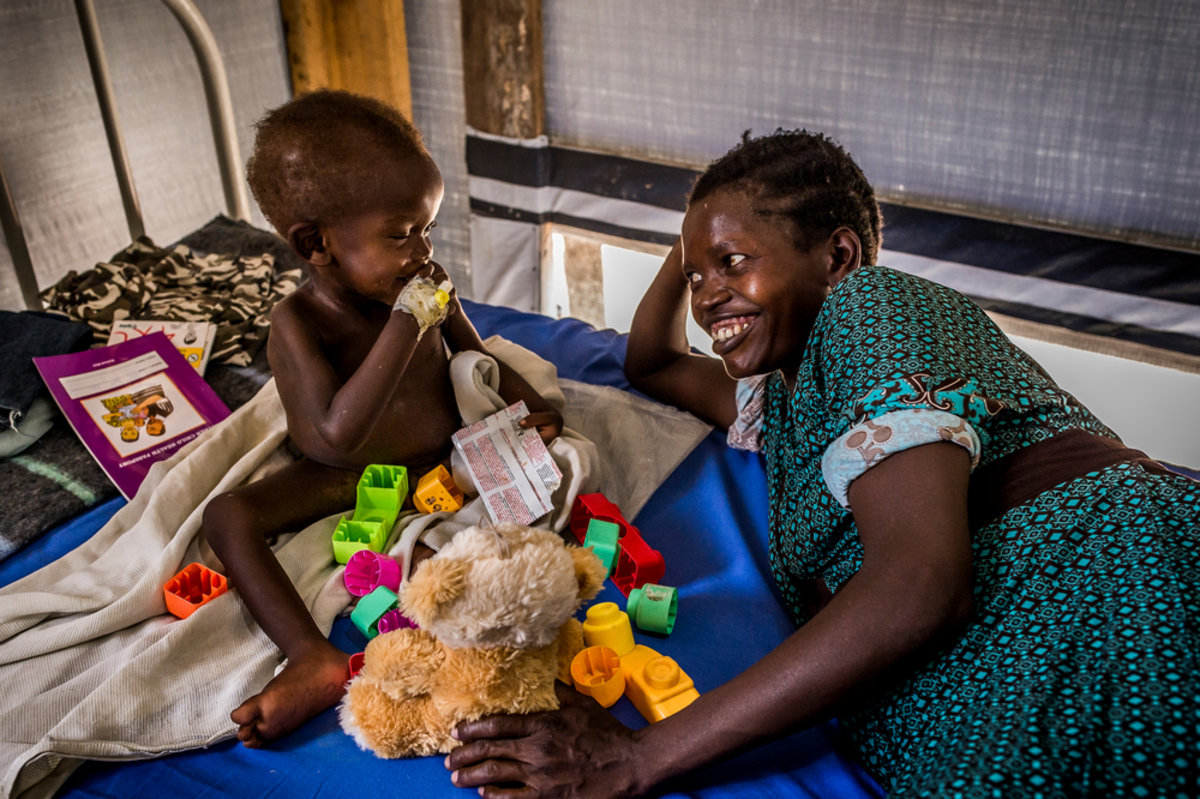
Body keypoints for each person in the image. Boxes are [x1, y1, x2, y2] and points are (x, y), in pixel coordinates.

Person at [443, 129, 1199, 797]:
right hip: (968, 669)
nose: (709, 297)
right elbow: (650, 363)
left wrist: (640, 758)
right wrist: (699, 242)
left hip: (1096, 597)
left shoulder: (872, 307)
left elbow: (920, 584)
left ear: (837, 255)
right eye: (695, 276)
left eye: (732, 262)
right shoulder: (780, 401)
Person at [202, 89, 563, 749]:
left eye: (426, 228)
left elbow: (474, 359)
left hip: (438, 458)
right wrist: (406, 321)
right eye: (402, 234)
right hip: (343, 470)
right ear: (317, 244)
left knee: (481, 558)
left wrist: (524, 410)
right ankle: (310, 655)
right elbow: (340, 432)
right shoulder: (299, 322)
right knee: (226, 517)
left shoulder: (421, 285)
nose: (422, 251)